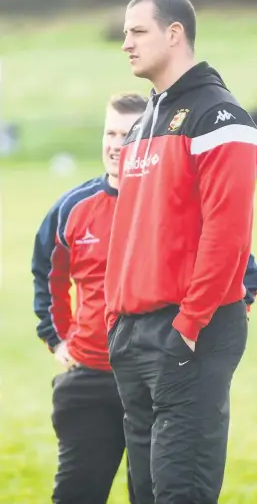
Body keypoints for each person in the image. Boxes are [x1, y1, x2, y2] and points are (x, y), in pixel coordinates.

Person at [105, 0, 257, 504]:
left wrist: (189, 325)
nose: (126, 44)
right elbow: (128, 230)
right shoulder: (144, 120)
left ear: (175, 35)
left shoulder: (220, 118)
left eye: (137, 31)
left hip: (189, 332)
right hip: (133, 334)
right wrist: (114, 318)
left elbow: (228, 234)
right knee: (145, 492)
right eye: (125, 33)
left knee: (180, 491)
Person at [32, 93, 146, 504]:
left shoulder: (176, 203)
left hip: (157, 383)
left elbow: (241, 271)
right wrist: (57, 338)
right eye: (110, 132)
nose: (116, 144)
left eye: (129, 134)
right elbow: (47, 273)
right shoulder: (72, 207)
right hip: (90, 378)